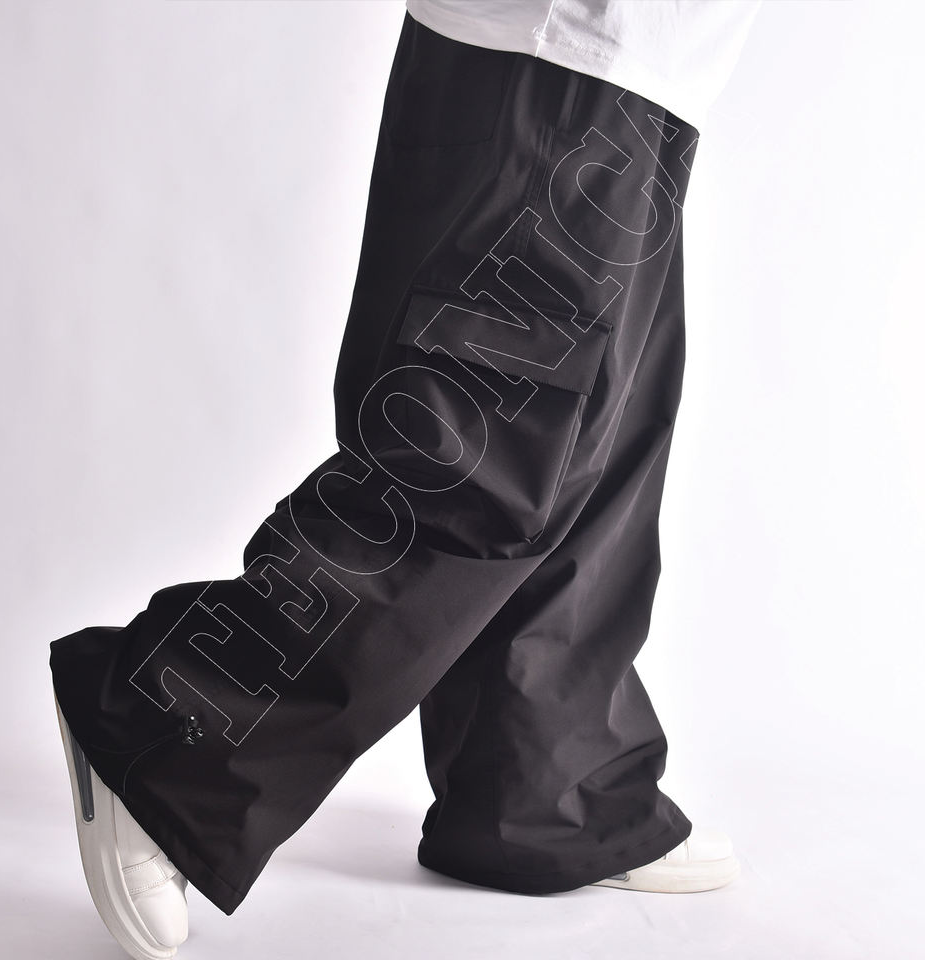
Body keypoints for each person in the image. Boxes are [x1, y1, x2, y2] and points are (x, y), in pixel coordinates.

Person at [49, 1, 763, 956]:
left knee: (591, 452)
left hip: (638, 64)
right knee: (481, 454)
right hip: (567, 45)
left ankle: (543, 792)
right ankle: (171, 734)